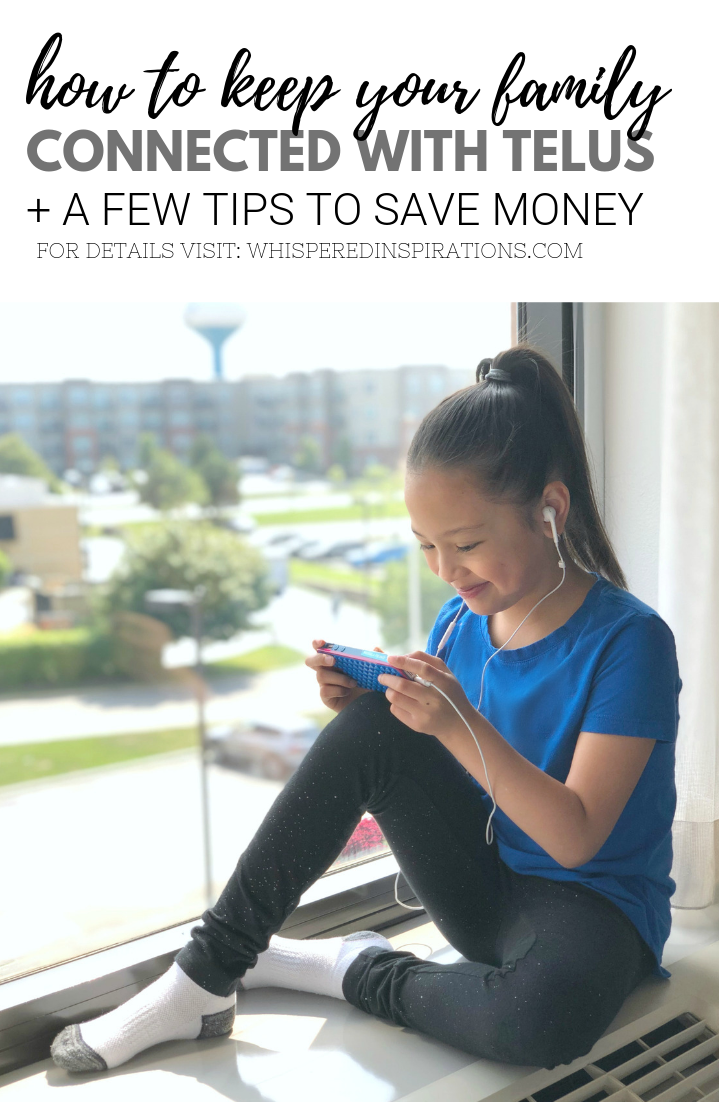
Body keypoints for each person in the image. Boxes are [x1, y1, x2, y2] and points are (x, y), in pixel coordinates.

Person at [51, 346, 682, 1075]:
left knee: (534, 1025)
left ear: (549, 510)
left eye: (467, 544)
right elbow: (445, 770)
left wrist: (455, 723)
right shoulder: (459, 622)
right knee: (373, 724)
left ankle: (346, 968)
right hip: (483, 894)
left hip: (593, 915)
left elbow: (574, 838)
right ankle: (205, 975)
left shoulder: (629, 643)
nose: (446, 570)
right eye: (426, 547)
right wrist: (379, 714)